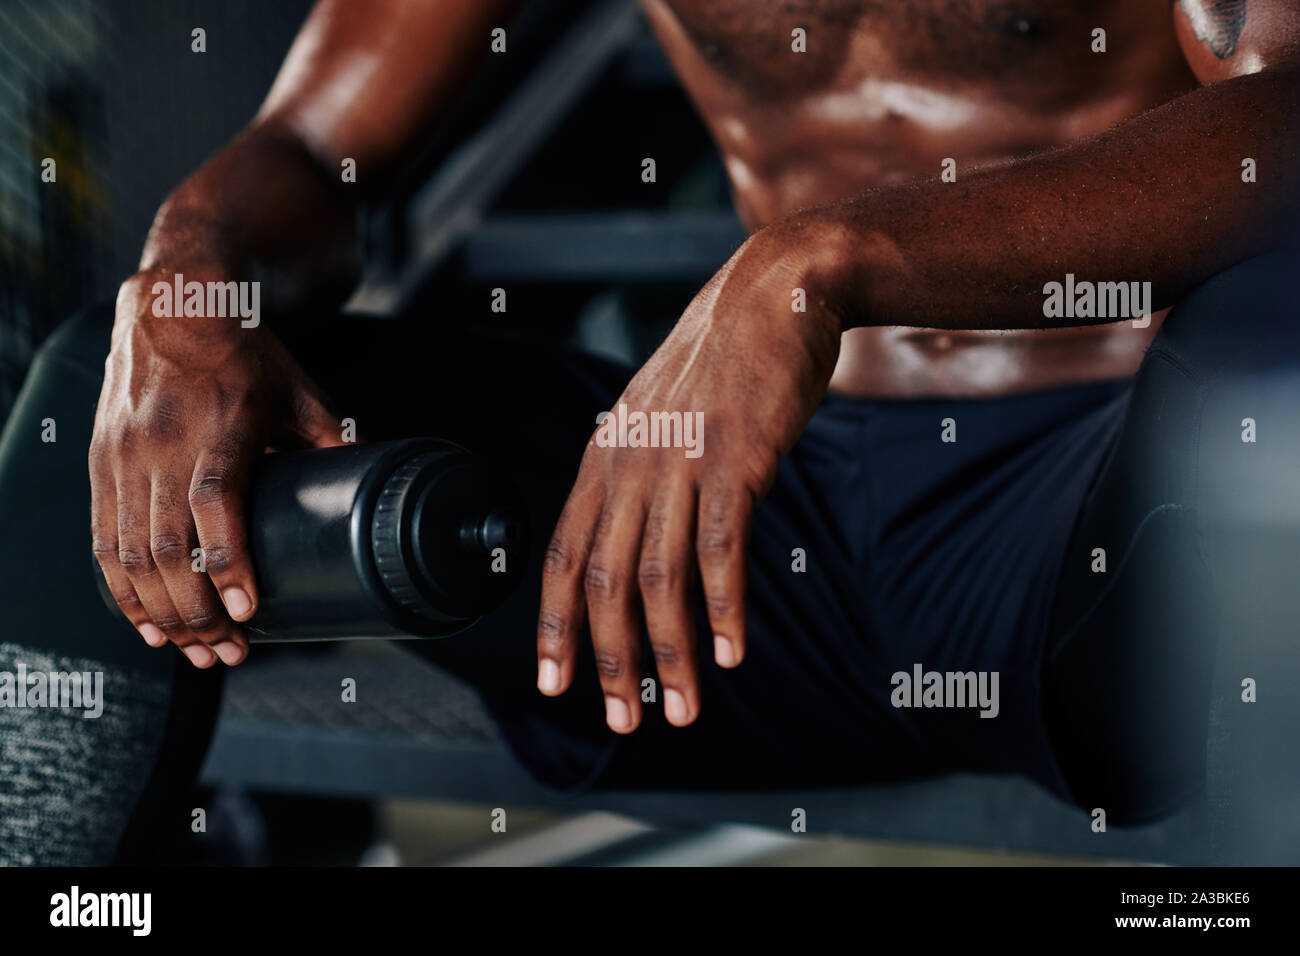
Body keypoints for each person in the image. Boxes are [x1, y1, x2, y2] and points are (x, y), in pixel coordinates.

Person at [2, 0, 1298, 864]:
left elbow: (1282, 117)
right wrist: (185, 274)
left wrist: (821, 261)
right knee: (108, 383)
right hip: (717, 565)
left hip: (1092, 517)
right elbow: (313, 141)